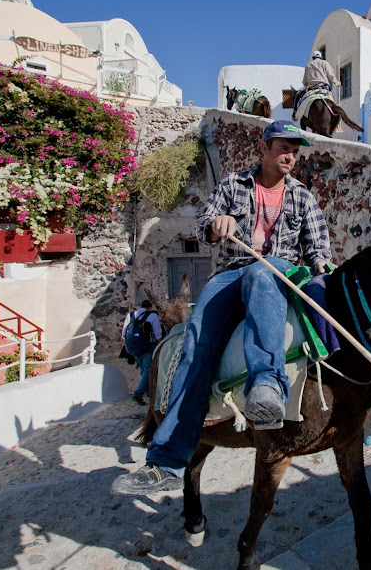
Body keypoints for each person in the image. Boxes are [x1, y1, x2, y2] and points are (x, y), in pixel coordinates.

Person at [111, 120, 332, 495]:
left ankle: (266, 385)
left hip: (277, 272)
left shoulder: (303, 197)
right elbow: (202, 227)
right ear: (263, 149)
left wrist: (323, 269)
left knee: (264, 275)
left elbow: (319, 249)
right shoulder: (233, 185)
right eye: (282, 148)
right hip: (230, 273)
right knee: (195, 343)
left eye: (295, 150)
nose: (290, 156)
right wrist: (217, 225)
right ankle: (164, 463)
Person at [122, 299, 162, 405]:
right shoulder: (153, 316)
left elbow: (123, 334)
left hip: (134, 348)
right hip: (148, 347)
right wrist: (162, 345)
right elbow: (158, 335)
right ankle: (138, 394)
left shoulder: (130, 315)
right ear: (150, 308)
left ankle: (148, 393)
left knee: (142, 370)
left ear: (140, 306)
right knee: (148, 371)